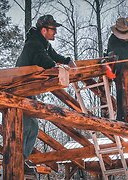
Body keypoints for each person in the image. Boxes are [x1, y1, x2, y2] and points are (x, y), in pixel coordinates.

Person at [15, 14, 75, 175]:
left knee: (33, 126)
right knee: (27, 125)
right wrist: (59, 68)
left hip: (28, 91)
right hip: (19, 89)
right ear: (44, 30)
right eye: (53, 30)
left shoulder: (43, 43)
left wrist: (67, 61)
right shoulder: (34, 44)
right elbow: (46, 61)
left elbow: (53, 56)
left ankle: (22, 159)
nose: (55, 33)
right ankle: (17, 160)